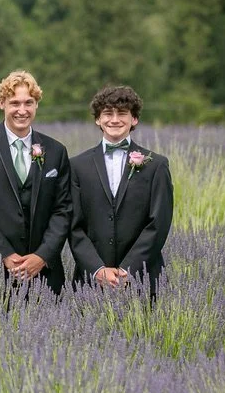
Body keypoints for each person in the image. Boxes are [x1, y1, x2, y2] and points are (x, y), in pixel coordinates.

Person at [0, 70, 71, 294]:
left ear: (36, 104)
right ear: (2, 103)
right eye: (14, 103)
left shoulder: (56, 151)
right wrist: (4, 254)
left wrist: (42, 256)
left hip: (45, 274)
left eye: (29, 102)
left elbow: (64, 209)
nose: (22, 110)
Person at [69, 85, 173, 298]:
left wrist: (129, 270)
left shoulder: (156, 166)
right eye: (107, 113)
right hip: (90, 281)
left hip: (144, 278)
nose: (114, 119)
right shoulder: (76, 166)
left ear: (134, 119)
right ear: (98, 119)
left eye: (122, 113)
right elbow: (73, 226)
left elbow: (159, 223)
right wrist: (97, 269)